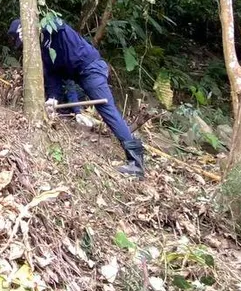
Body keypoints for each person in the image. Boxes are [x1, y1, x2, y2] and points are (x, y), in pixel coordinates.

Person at [10, 17, 145, 176]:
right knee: (90, 108)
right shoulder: (44, 53)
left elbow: (58, 23)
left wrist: (35, 26)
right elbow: (54, 78)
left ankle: (136, 163)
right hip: (76, 75)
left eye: (24, 40)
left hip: (90, 68)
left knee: (107, 111)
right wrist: (54, 99)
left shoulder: (52, 28)